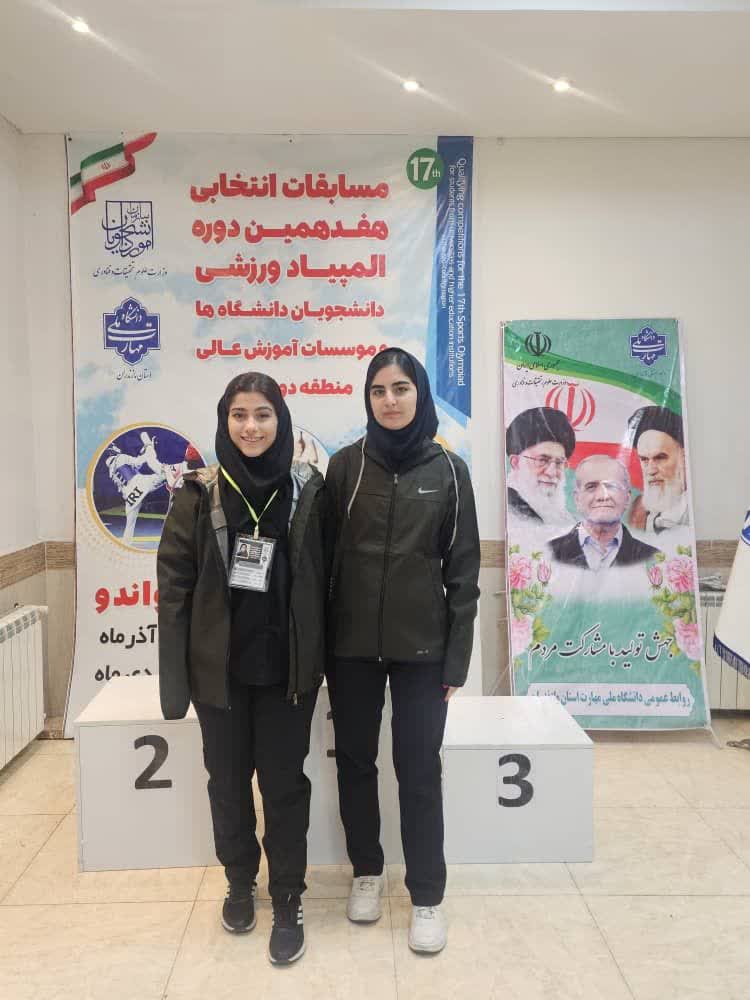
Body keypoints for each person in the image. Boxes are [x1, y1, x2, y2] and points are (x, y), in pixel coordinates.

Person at [157, 372, 327, 966]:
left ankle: (288, 898)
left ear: (282, 421)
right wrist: (175, 683)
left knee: (284, 789)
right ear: (224, 421)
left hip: (286, 675)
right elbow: (173, 590)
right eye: (239, 415)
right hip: (220, 677)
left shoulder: (308, 490)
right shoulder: (198, 493)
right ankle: (238, 882)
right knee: (226, 786)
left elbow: (329, 581)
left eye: (262, 415)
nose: (250, 427)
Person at [325, 347, 480, 955]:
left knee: (418, 771)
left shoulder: (450, 470)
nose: (390, 400)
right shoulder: (345, 467)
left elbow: (463, 571)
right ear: (368, 399)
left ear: (420, 394)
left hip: (423, 650)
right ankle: (366, 872)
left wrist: (456, 658)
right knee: (355, 762)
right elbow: (322, 565)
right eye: (378, 390)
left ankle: (427, 897)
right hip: (351, 648)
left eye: (401, 388)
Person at [548, 454, 659, 570]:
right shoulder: (548, 553)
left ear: (627, 498)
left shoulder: (654, 558)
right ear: (577, 499)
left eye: (612, 486)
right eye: (591, 487)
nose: (603, 496)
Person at [505, 407, 576, 526]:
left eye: (559, 463)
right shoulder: (509, 511)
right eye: (542, 460)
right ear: (515, 463)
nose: (552, 472)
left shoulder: (566, 518)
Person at [627, 406, 689, 533]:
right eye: (644, 459)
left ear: (683, 457)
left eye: (660, 458)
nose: (650, 470)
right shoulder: (637, 511)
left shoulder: (695, 507)